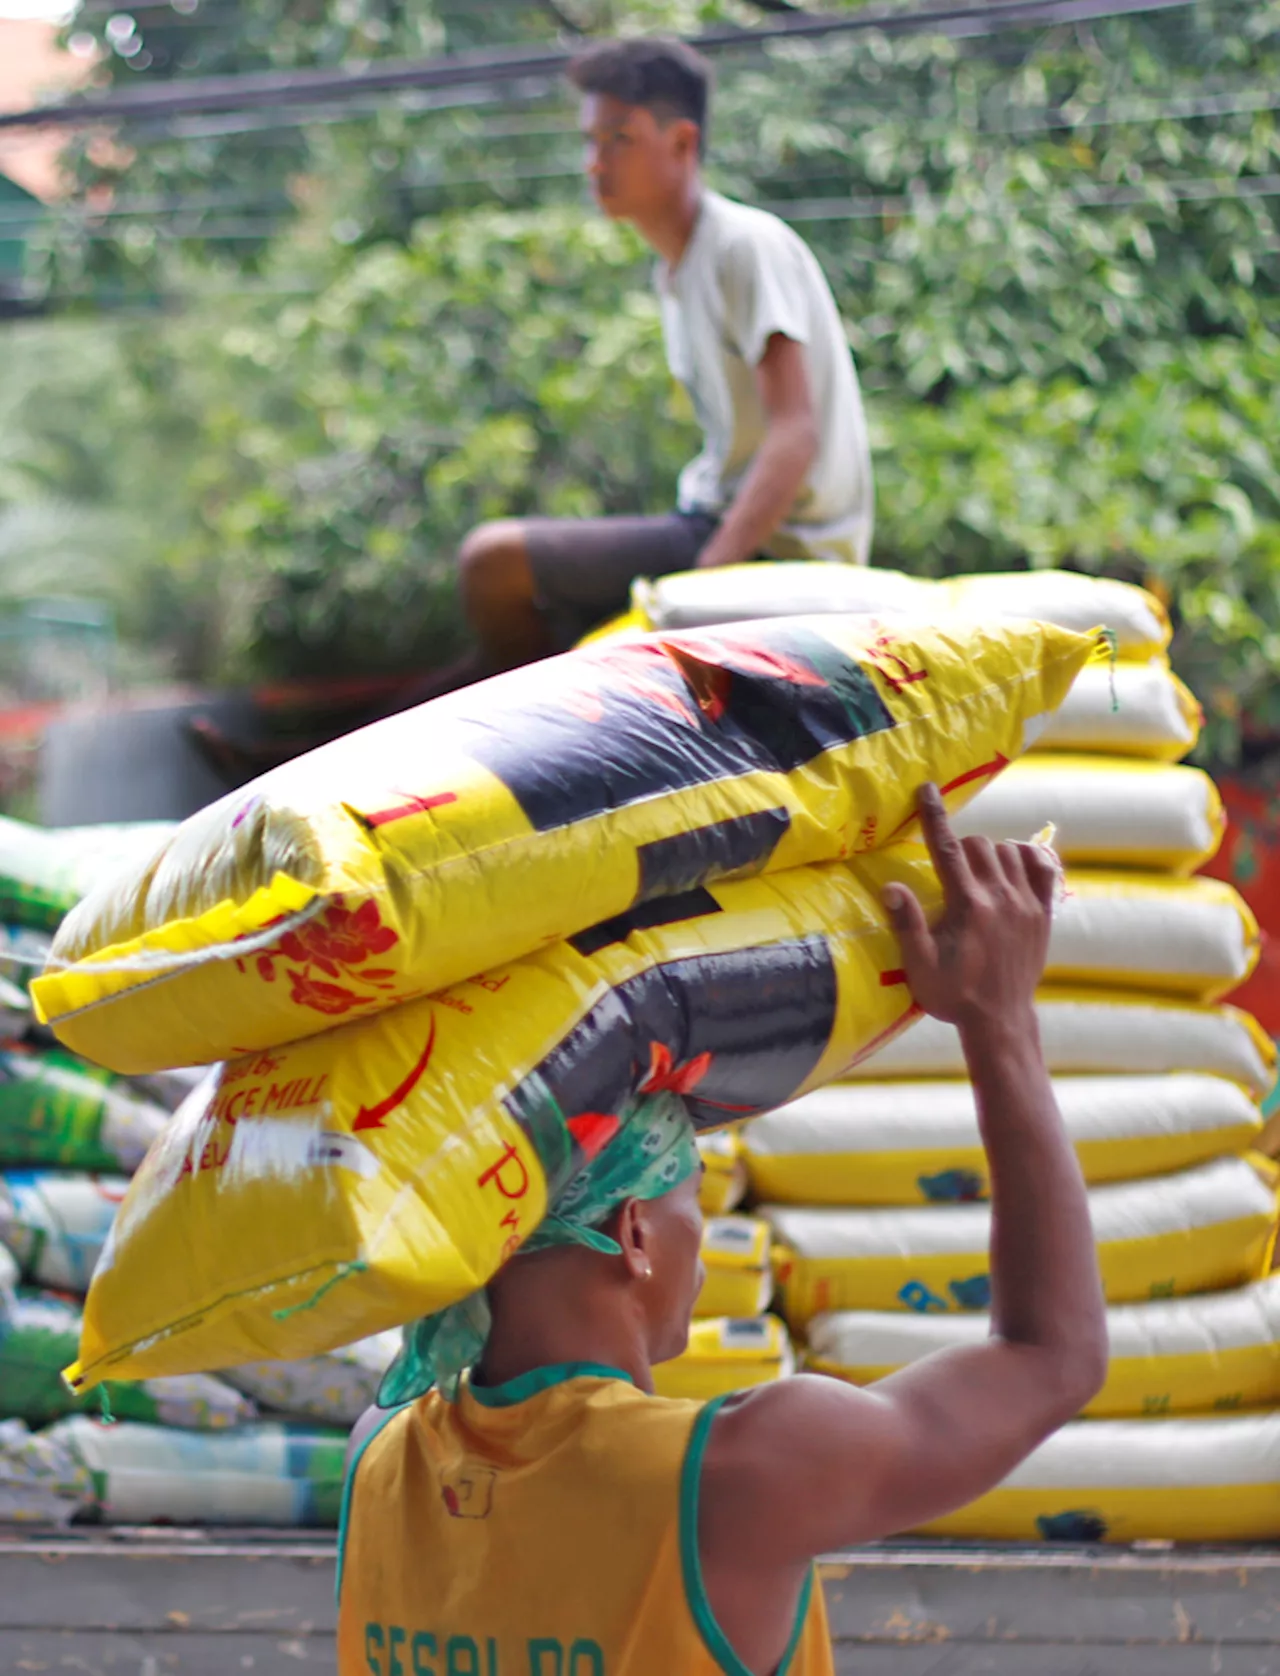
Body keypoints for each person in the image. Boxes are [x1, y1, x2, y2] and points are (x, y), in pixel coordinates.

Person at [336, 785, 1108, 1676]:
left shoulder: (377, 1457)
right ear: (635, 1234)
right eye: (691, 1200)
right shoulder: (734, 1479)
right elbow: (1055, 1359)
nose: (702, 1257)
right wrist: (1000, 1020)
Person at [456, 35, 875, 674]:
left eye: (618, 140)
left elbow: (796, 433)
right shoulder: (678, 267)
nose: (595, 163)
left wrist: (704, 583)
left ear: (682, 143)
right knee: (512, 615)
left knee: (493, 562)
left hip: (774, 545)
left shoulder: (743, 245)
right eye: (590, 141)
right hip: (710, 521)